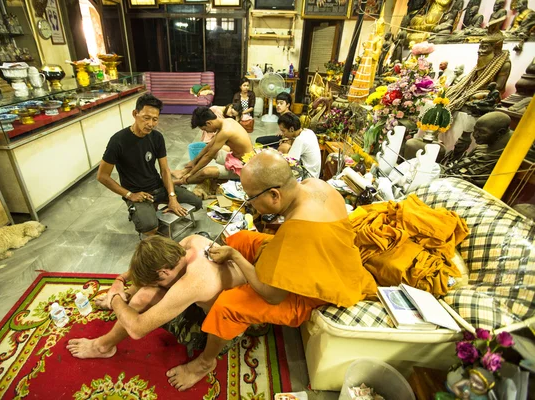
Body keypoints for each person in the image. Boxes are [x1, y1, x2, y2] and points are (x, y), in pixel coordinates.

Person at [166, 150, 378, 391]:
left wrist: (235, 257)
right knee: (242, 238)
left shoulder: (299, 230)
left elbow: (272, 295)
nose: (249, 204)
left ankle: (205, 362)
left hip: (316, 289)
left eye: (251, 198)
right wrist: (237, 251)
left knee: (228, 305)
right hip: (316, 254)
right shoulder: (316, 185)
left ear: (275, 194)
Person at [67, 234, 246, 361]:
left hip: (226, 330)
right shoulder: (191, 243)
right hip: (219, 296)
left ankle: (102, 347)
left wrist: (115, 299)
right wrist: (120, 282)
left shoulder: (193, 283)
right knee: (141, 295)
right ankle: (105, 343)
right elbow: (148, 270)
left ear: (163, 271)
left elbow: (137, 329)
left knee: (141, 299)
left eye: (157, 279)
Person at [98, 93, 202, 236]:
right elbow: (102, 176)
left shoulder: (157, 137)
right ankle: (139, 210)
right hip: (138, 193)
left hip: (158, 187)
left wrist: (172, 197)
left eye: (155, 119)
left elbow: (165, 170)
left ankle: (155, 205)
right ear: (135, 114)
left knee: (196, 203)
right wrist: (129, 194)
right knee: (150, 227)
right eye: (146, 118)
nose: (151, 124)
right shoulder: (118, 141)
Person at [172, 107, 254, 185]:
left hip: (244, 166)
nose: (206, 132)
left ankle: (179, 182)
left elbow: (209, 156)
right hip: (234, 157)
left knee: (205, 172)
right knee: (204, 150)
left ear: (208, 123)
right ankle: (183, 172)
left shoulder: (226, 131)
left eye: (205, 130)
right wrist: (194, 161)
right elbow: (210, 145)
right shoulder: (227, 121)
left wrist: (191, 173)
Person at [276, 113, 321, 179]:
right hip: (315, 173)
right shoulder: (308, 131)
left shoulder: (300, 140)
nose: (282, 134)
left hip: (308, 177)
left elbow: (290, 161)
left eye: (283, 131)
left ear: (291, 129)